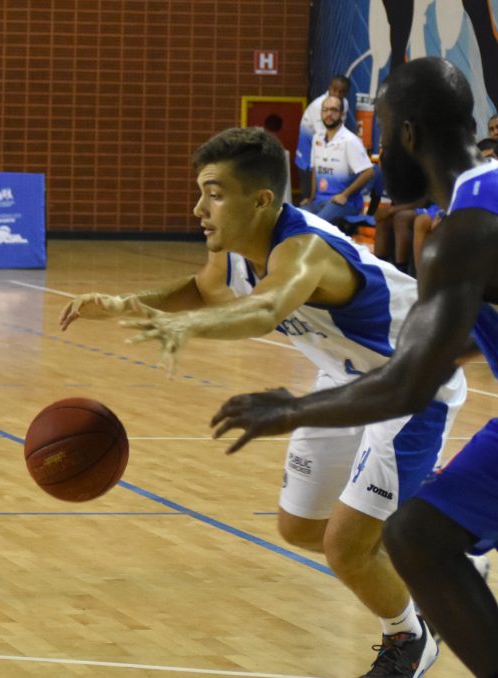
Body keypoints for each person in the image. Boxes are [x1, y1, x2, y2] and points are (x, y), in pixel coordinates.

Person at [60, 126, 464, 677]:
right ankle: (438, 543)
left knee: (348, 548)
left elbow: (265, 310)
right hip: (345, 378)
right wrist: (123, 303)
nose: (199, 209)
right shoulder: (236, 251)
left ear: (261, 200)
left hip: (412, 382)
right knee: (301, 527)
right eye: (200, 193)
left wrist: (186, 328)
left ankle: (409, 639)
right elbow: (202, 291)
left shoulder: (305, 250)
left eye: (214, 194)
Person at [211, 57, 498, 677]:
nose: (376, 151)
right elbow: (451, 348)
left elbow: (406, 385)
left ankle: (421, 629)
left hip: (405, 390)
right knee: (417, 537)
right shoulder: (474, 209)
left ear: (409, 136)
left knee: (411, 539)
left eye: (383, 133)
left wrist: (290, 409)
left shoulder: (465, 230)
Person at [300, 95, 376, 228]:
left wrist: (344, 195)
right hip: (319, 201)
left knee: (315, 225)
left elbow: (369, 172)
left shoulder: (350, 141)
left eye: (333, 110)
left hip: (344, 203)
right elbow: (315, 170)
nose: (328, 114)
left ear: (341, 113)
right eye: (325, 110)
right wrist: (311, 198)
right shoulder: (317, 138)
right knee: (296, 218)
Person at [298, 75, 354, 200]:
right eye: (334, 90)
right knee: (308, 195)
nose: (337, 94)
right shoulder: (319, 106)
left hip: (326, 154)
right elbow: (323, 135)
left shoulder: (344, 104)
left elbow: (338, 130)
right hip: (307, 152)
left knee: (325, 193)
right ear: (329, 88)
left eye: (341, 92)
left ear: (346, 93)